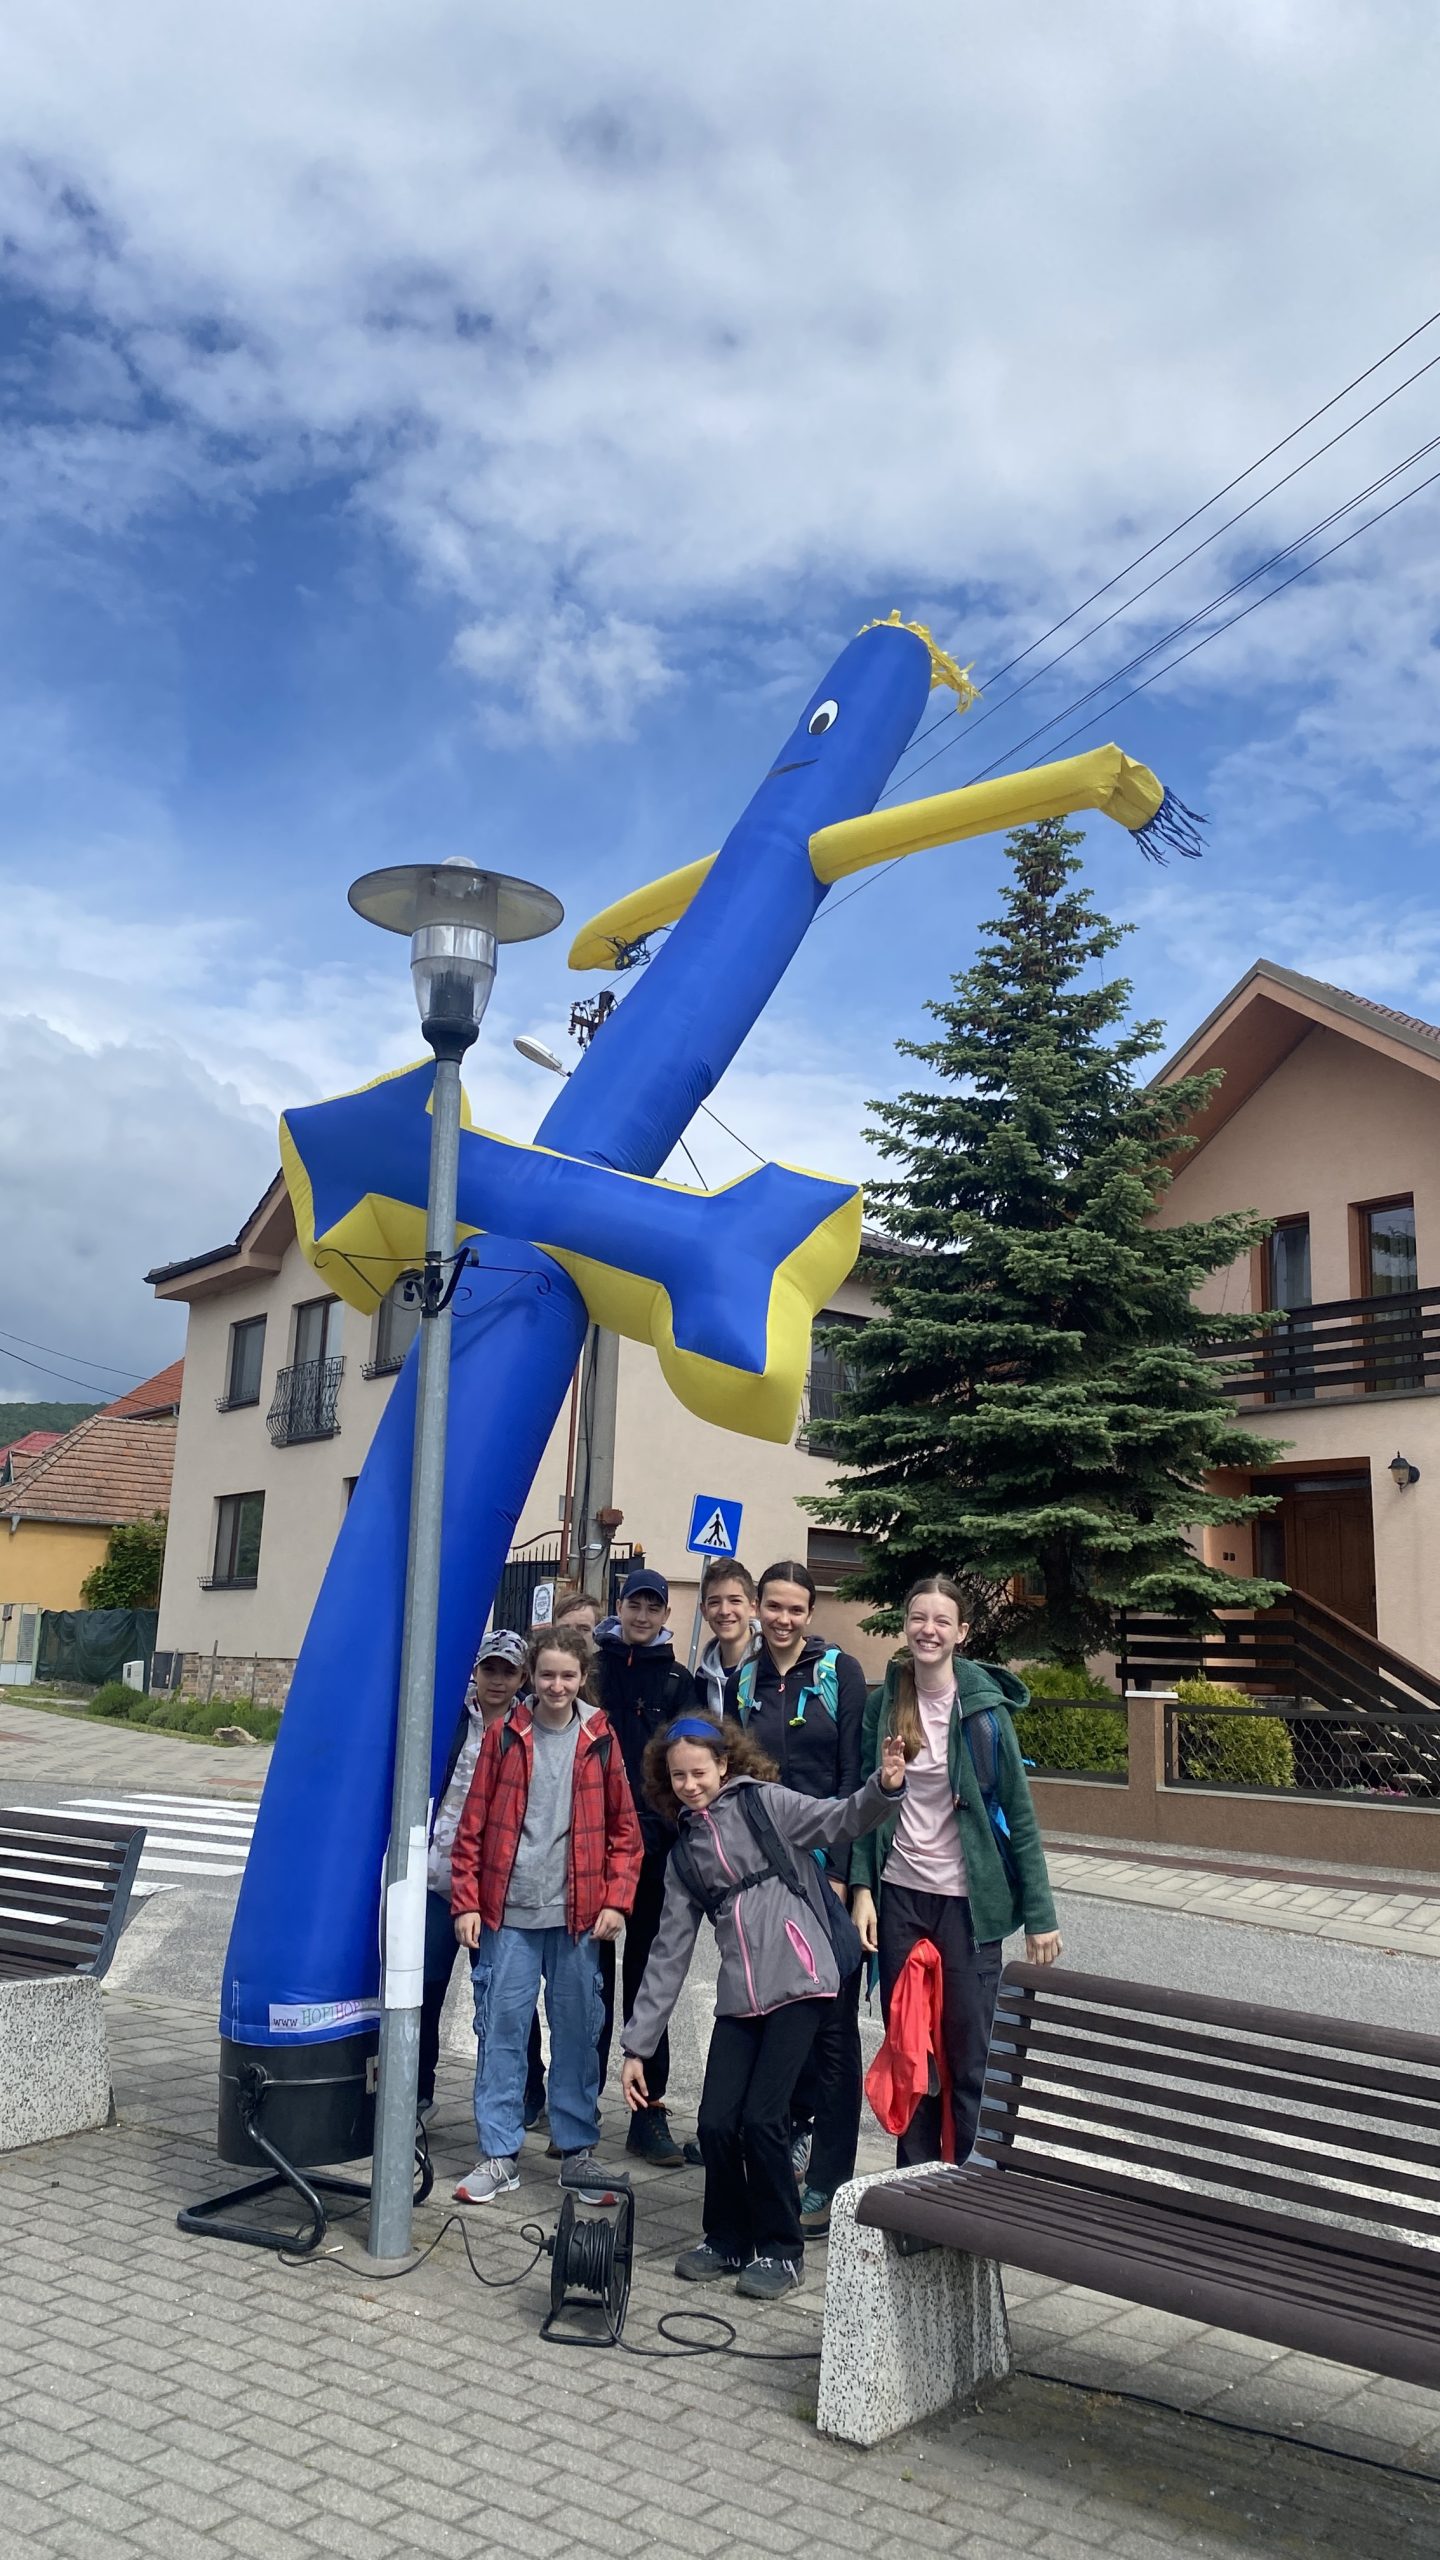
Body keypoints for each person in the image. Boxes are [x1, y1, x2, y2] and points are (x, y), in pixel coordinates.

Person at [621, 1715, 907, 2297]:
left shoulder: (765, 1804)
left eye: (699, 1772)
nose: (690, 1785)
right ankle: (726, 2238)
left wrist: (884, 1785)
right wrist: (637, 2047)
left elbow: (840, 1819)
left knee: (763, 2119)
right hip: (741, 1997)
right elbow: (667, 1954)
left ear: (724, 1764)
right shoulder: (685, 1854)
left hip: (802, 1981)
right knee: (715, 2121)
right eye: (678, 1776)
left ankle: (780, 2249)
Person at [850, 1574, 1063, 2169]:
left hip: (969, 1906)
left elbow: (1020, 1814)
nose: (929, 1630)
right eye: (919, 1618)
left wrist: (1041, 1916)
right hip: (900, 1896)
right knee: (910, 2052)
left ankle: (973, 2185)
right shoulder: (886, 1703)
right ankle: (915, 2184)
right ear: (905, 1624)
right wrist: (863, 1889)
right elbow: (864, 1806)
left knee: (971, 2055)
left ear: (961, 1632)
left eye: (942, 1620)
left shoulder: (984, 1712)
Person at [449, 1624, 641, 2206]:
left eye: (568, 1675)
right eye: (547, 1675)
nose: (557, 1686)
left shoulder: (600, 1737)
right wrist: (466, 1902)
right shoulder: (504, 1734)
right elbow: (473, 1826)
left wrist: (616, 1900)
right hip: (507, 1915)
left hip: (578, 1918)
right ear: (531, 1676)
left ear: (583, 1677)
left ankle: (577, 2152)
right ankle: (499, 2154)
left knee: (578, 2035)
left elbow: (625, 1830)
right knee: (502, 2034)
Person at [724, 1559, 867, 2238]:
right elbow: (735, 1781)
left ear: (810, 1614)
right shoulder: (742, 1681)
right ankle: (781, 2149)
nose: (782, 1619)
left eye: (795, 1609)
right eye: (773, 1607)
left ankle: (830, 2179)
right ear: (758, 1608)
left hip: (824, 1871)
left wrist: (841, 1873)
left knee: (834, 2029)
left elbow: (854, 1774)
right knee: (776, 2013)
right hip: (766, 1880)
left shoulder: (840, 1673)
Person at [592, 1566, 704, 2162]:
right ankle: (577, 2102)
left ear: (664, 1614)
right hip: (590, 1850)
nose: (642, 1615)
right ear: (620, 1606)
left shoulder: (679, 1681)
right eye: (634, 1604)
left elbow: (689, 1765)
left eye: (652, 1607)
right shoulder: (593, 1668)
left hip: (656, 1853)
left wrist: (662, 1829)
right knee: (588, 1985)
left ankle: (648, 2112)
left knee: (648, 1982)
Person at [419, 1629, 528, 2113]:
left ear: (522, 1678)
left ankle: (523, 2095)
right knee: (425, 1989)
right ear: (476, 1671)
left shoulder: (528, 1728)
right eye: (490, 1669)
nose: (497, 1680)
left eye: (508, 1671)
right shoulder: (451, 1718)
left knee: (504, 1999)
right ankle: (417, 2091)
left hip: (497, 1889)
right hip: (438, 1877)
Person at [693, 1559, 760, 1716]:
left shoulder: (771, 1665)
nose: (724, 1611)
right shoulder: (703, 1678)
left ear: (753, 1607)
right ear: (704, 1611)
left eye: (735, 1600)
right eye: (714, 1602)